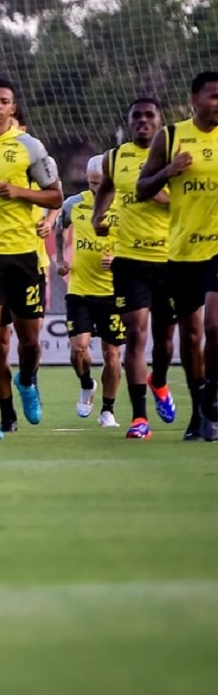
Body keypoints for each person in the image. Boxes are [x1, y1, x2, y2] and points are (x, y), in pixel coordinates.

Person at [0, 79, 63, 441]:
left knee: (28, 341)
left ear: (13, 107)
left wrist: (19, 192)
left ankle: (27, 379)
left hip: (24, 257)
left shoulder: (29, 146)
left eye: (5, 101)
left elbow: (55, 197)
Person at [136, 71, 218, 442]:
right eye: (214, 96)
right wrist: (169, 171)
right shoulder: (169, 137)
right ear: (195, 99)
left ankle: (211, 404)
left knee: (214, 326)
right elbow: (141, 189)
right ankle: (200, 410)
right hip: (184, 251)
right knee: (190, 334)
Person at [93, 98, 176, 438]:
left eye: (149, 116)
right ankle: (139, 418)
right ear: (128, 122)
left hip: (171, 258)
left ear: (159, 122)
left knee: (166, 342)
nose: (143, 121)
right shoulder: (115, 158)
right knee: (135, 335)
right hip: (129, 260)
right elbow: (106, 189)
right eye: (136, 116)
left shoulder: (172, 155)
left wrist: (157, 191)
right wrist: (99, 216)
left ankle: (159, 380)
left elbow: (187, 200)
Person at [58, 156, 123, 428]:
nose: (95, 189)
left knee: (112, 353)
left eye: (100, 183)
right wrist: (62, 258)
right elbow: (59, 227)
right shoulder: (74, 204)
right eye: (91, 183)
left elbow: (136, 240)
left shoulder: (125, 205)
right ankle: (87, 384)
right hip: (80, 289)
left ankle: (108, 410)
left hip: (113, 291)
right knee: (78, 349)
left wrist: (118, 260)